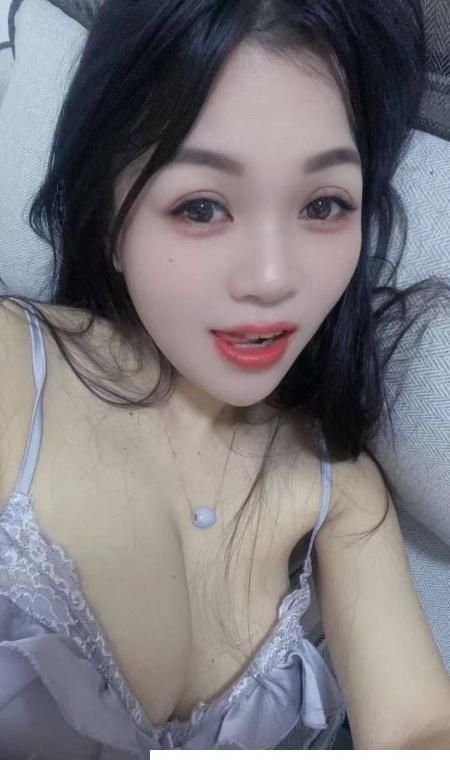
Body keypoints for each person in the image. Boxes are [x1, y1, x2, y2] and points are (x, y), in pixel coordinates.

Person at [0, 0, 449, 754]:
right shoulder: (14, 370)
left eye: (324, 204)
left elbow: (416, 726)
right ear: (108, 216)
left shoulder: (339, 490)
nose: (272, 279)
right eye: (202, 206)